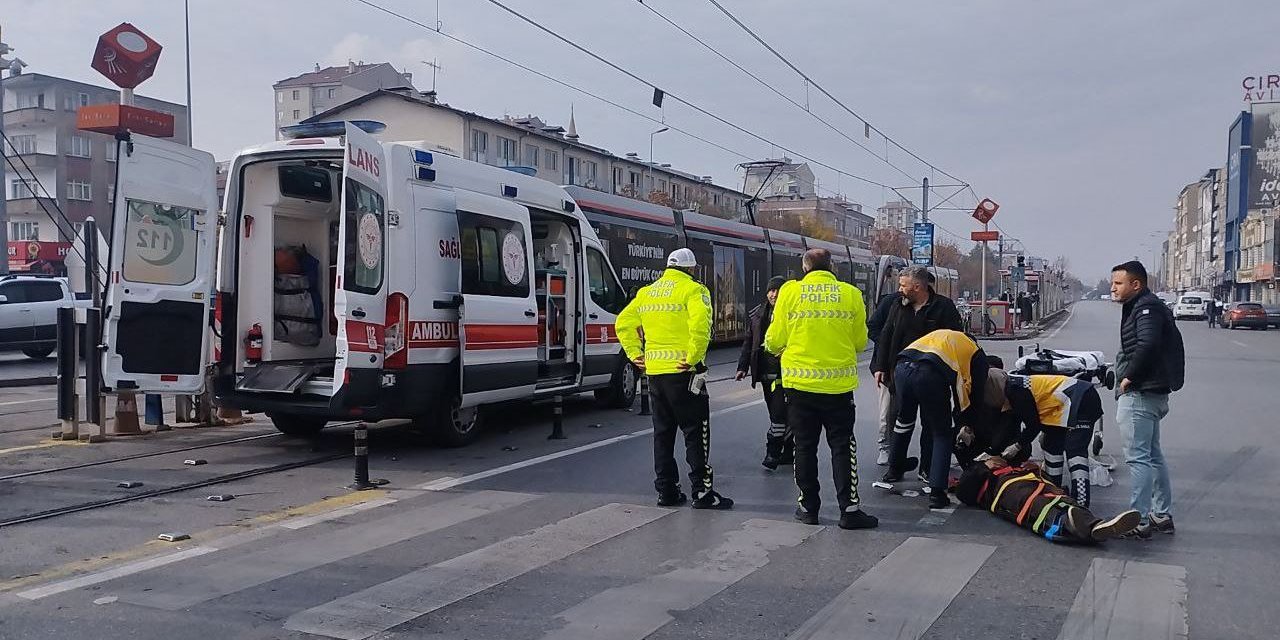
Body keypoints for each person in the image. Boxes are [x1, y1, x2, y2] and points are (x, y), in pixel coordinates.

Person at [764, 249, 878, 530]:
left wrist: (776, 347)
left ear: (805, 268)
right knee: (842, 446)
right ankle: (849, 510)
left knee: (804, 446)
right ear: (832, 267)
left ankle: (808, 508)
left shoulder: (789, 293)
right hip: (838, 387)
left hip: (800, 386)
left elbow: (775, 339)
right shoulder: (850, 294)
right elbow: (860, 343)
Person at [616, 248, 733, 510]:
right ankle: (702, 493)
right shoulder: (694, 290)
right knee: (695, 432)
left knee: (663, 433)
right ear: (690, 269)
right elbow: (702, 326)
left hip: (656, 373)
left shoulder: (646, 293)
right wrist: (693, 357)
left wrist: (636, 354)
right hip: (684, 373)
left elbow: (623, 322)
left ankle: (666, 491)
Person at [1110, 260, 1184, 540]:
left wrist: (1128, 377)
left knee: (1138, 458)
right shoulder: (1146, 306)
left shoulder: (1145, 307)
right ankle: (1161, 515)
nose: (1113, 288)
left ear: (1135, 284)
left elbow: (1148, 343)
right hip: (1153, 392)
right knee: (1152, 455)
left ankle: (1139, 519)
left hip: (1141, 393)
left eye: (1118, 284)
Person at [871, 266, 964, 472]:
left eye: (903, 285)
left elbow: (957, 339)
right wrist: (881, 367)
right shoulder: (897, 305)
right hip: (901, 376)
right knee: (900, 421)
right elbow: (885, 336)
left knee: (931, 424)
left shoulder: (943, 307)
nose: (900, 289)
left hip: (933, 377)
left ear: (917, 287)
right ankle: (895, 467)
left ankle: (927, 469)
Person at [886, 328, 988, 508]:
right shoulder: (976, 353)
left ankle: (894, 468)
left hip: (902, 366)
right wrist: (966, 424)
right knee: (942, 433)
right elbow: (974, 394)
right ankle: (937, 493)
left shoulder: (943, 337)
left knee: (904, 420)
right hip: (928, 374)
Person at [952, 456, 1141, 544]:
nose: (998, 460)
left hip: (1033, 484)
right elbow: (964, 492)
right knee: (1037, 505)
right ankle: (1076, 526)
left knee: (1062, 499)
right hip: (1008, 491)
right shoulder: (981, 475)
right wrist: (983, 467)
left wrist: (1034, 469)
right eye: (994, 459)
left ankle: (1094, 525)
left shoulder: (1017, 467)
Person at [989, 372, 1104, 508]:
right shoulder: (1010, 388)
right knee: (1051, 447)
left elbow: (1033, 425)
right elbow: (1011, 426)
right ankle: (1055, 492)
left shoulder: (1016, 392)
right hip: (1059, 409)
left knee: (1075, 451)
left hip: (1082, 400)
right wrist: (992, 451)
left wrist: (1017, 446)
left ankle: (1081, 502)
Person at [736, 276, 792, 470]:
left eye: (777, 290)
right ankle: (788, 451)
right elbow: (749, 342)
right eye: (771, 290)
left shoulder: (793, 313)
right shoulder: (758, 314)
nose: (773, 294)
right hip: (766, 374)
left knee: (779, 415)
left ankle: (773, 454)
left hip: (788, 373)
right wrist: (742, 367)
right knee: (778, 414)